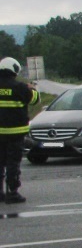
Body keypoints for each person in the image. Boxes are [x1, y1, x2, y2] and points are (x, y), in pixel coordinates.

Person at [0, 57, 40, 204]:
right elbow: (35, 100)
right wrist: (32, 89)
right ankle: (12, 193)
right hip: (15, 134)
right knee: (13, 163)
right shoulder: (20, 87)